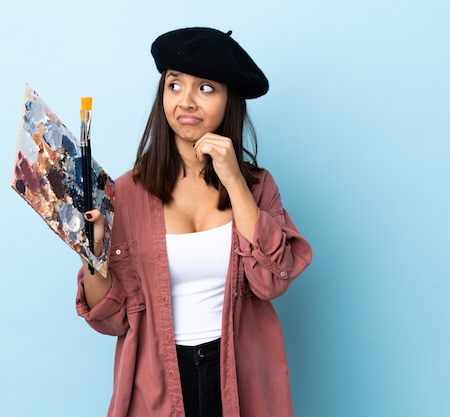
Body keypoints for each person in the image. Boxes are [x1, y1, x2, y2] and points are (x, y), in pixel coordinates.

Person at [76, 27, 313, 417]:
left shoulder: (257, 185)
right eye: (174, 85)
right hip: (158, 380)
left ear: (228, 100)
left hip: (240, 374)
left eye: (205, 88)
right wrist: (92, 251)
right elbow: (112, 319)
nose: (186, 101)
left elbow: (273, 279)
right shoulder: (124, 194)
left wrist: (235, 181)